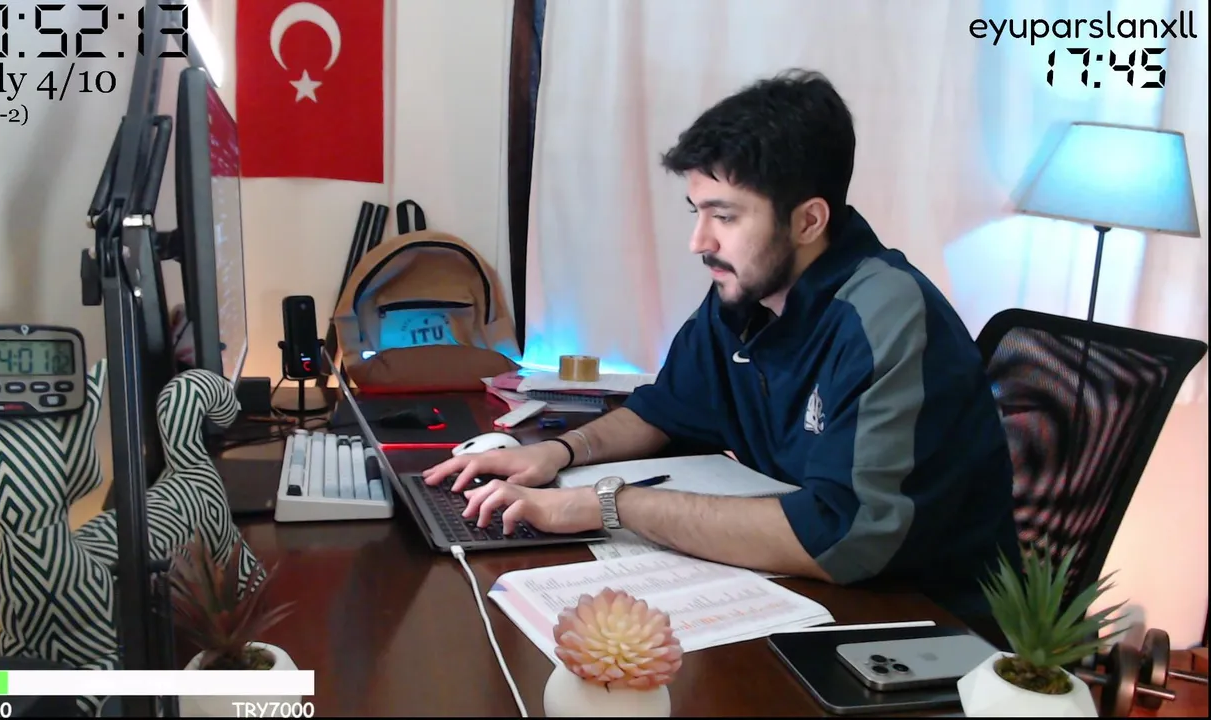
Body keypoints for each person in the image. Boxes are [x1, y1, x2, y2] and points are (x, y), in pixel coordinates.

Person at [423, 69, 1018, 621]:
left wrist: (607, 504)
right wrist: (559, 454)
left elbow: (842, 535)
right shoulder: (747, 294)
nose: (698, 241)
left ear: (808, 221)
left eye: (724, 217)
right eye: (697, 212)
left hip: (930, 623)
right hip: (809, 593)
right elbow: (667, 410)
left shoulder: (885, 318)